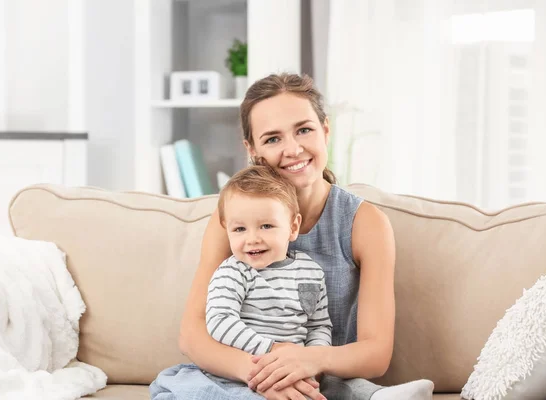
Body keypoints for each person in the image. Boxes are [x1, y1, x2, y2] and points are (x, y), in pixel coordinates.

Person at [176, 73, 434, 400]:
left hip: (321, 375)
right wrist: (263, 373)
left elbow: (376, 352)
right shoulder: (232, 220)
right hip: (243, 369)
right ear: (252, 149)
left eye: (304, 130)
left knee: (351, 388)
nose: (293, 149)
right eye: (272, 139)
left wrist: (304, 361)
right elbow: (193, 334)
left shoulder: (365, 223)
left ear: (325, 131)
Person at [150, 165, 332, 400]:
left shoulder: (311, 272)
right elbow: (220, 321)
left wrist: (311, 362)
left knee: (350, 388)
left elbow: (319, 326)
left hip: (294, 370)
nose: (252, 239)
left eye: (266, 226)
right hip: (235, 375)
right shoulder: (232, 272)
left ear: (293, 227)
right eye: (239, 229)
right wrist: (272, 351)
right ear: (227, 231)